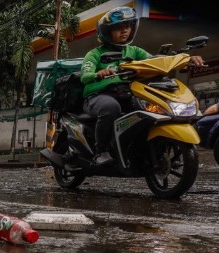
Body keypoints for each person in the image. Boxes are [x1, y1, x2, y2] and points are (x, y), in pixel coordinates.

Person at [81, 6, 203, 167]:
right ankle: (101, 152)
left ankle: (150, 151)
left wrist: (186, 59)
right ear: (107, 32)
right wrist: (99, 74)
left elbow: (156, 63)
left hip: (127, 93)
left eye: (127, 27)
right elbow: (85, 76)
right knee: (110, 108)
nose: (124, 31)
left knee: (153, 111)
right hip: (98, 96)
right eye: (118, 28)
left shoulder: (134, 51)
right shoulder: (95, 54)